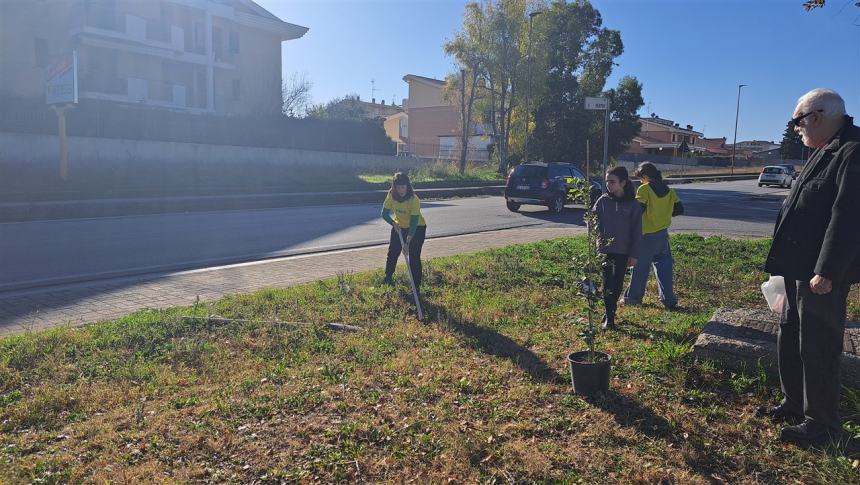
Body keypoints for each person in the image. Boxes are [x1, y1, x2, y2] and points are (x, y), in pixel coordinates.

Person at [758, 88, 860, 448]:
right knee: (791, 336)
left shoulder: (852, 150)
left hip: (820, 275)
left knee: (818, 345)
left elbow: (848, 217)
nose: (796, 129)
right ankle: (793, 403)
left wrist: (828, 270)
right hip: (796, 267)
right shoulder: (823, 150)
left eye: (798, 122)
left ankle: (821, 425)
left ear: (815, 116)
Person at [623, 161, 683, 309]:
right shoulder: (669, 191)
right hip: (662, 235)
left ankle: (633, 299)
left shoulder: (644, 189)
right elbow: (679, 209)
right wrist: (664, 214)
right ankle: (669, 300)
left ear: (645, 176)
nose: (640, 181)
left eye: (640, 178)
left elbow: (638, 212)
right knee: (664, 269)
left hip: (646, 236)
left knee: (640, 269)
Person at [592, 166, 642, 330]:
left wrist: (634, 254)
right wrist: (595, 235)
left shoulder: (633, 205)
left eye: (612, 182)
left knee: (617, 284)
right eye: (607, 182)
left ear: (623, 183)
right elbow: (591, 220)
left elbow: (637, 231)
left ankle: (610, 312)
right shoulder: (603, 201)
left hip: (623, 251)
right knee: (607, 284)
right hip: (605, 250)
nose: (609, 185)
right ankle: (610, 318)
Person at [381, 172, 427, 289]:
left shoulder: (414, 199)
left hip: (417, 228)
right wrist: (393, 223)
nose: (401, 190)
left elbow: (413, 222)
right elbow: (384, 213)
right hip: (399, 227)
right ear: (394, 187)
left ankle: (416, 286)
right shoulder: (391, 195)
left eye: (403, 187)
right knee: (392, 252)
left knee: (414, 257)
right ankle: (388, 277)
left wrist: (407, 243)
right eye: (398, 187)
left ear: (407, 186)